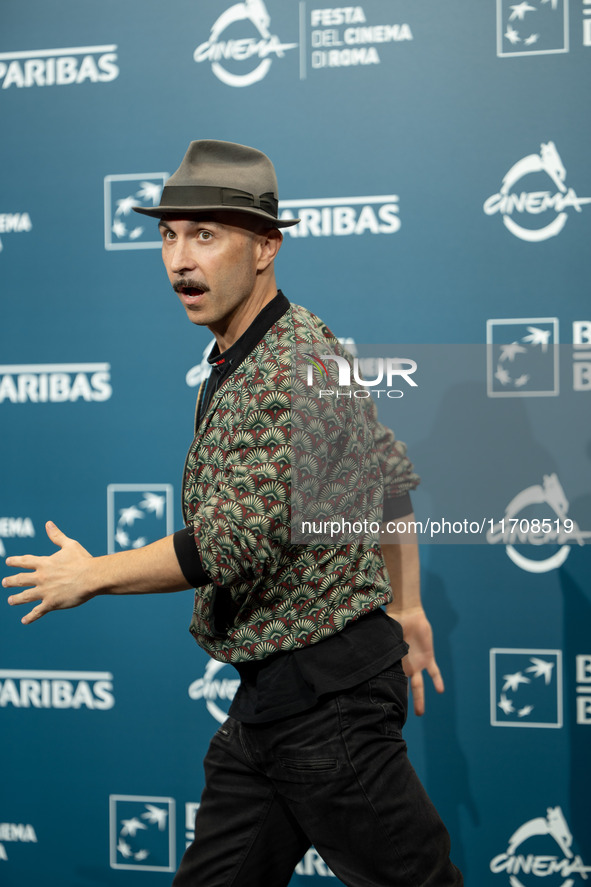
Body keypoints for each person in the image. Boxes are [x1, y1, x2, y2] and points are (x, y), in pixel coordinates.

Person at [4, 140, 462, 887]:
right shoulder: (269, 346)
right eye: (168, 234)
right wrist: (406, 605)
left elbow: (228, 542)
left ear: (264, 248)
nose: (180, 259)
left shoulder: (285, 368)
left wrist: (92, 575)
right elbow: (388, 476)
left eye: (205, 235)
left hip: (327, 703)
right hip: (273, 701)